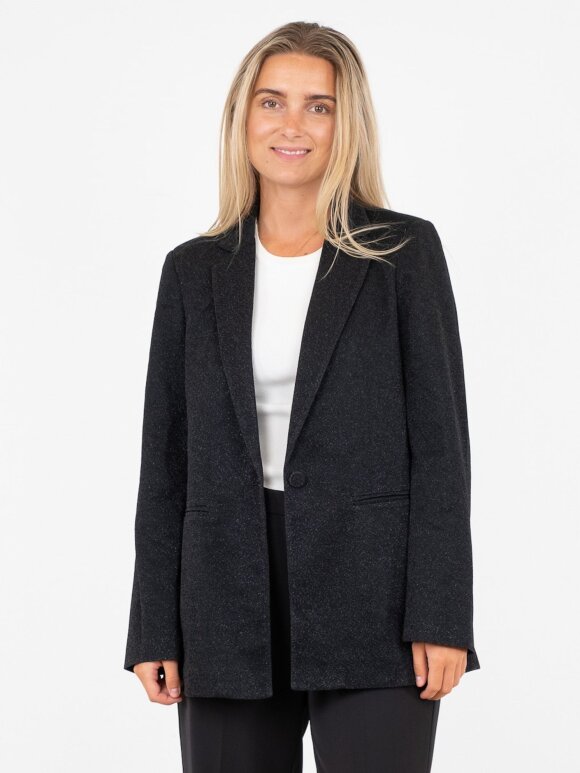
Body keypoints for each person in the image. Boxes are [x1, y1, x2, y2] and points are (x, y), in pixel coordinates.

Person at [124, 20, 481, 773]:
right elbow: (166, 463)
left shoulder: (403, 255)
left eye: (319, 106)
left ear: (346, 126)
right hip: (223, 598)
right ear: (242, 117)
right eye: (272, 102)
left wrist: (442, 611)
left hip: (376, 597)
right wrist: (154, 623)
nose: (293, 125)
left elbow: (441, 450)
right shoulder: (192, 271)